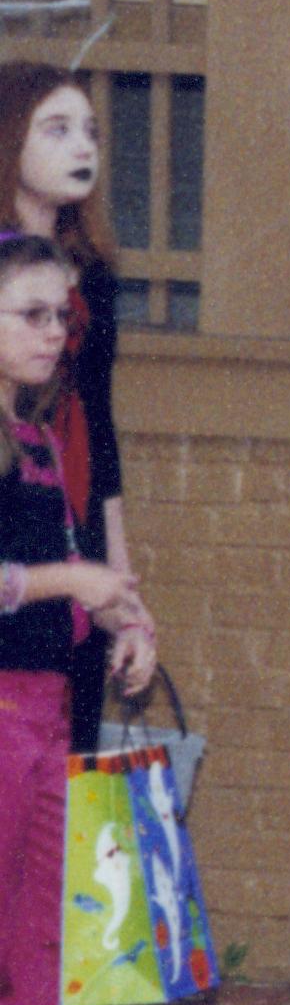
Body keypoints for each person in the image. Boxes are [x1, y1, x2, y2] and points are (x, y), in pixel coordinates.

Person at [0, 232, 162, 1005]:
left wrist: (120, 615)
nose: (54, 332)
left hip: (50, 701)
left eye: (62, 316)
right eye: (29, 314)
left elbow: (58, 570)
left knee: (52, 937)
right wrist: (71, 581)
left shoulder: (36, 434)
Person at [0, 64, 141, 751]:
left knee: (70, 762)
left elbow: (100, 431)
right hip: (13, 519)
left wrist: (123, 595)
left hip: (72, 512)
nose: (82, 146)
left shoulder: (96, 278)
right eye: (56, 130)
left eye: (90, 131)